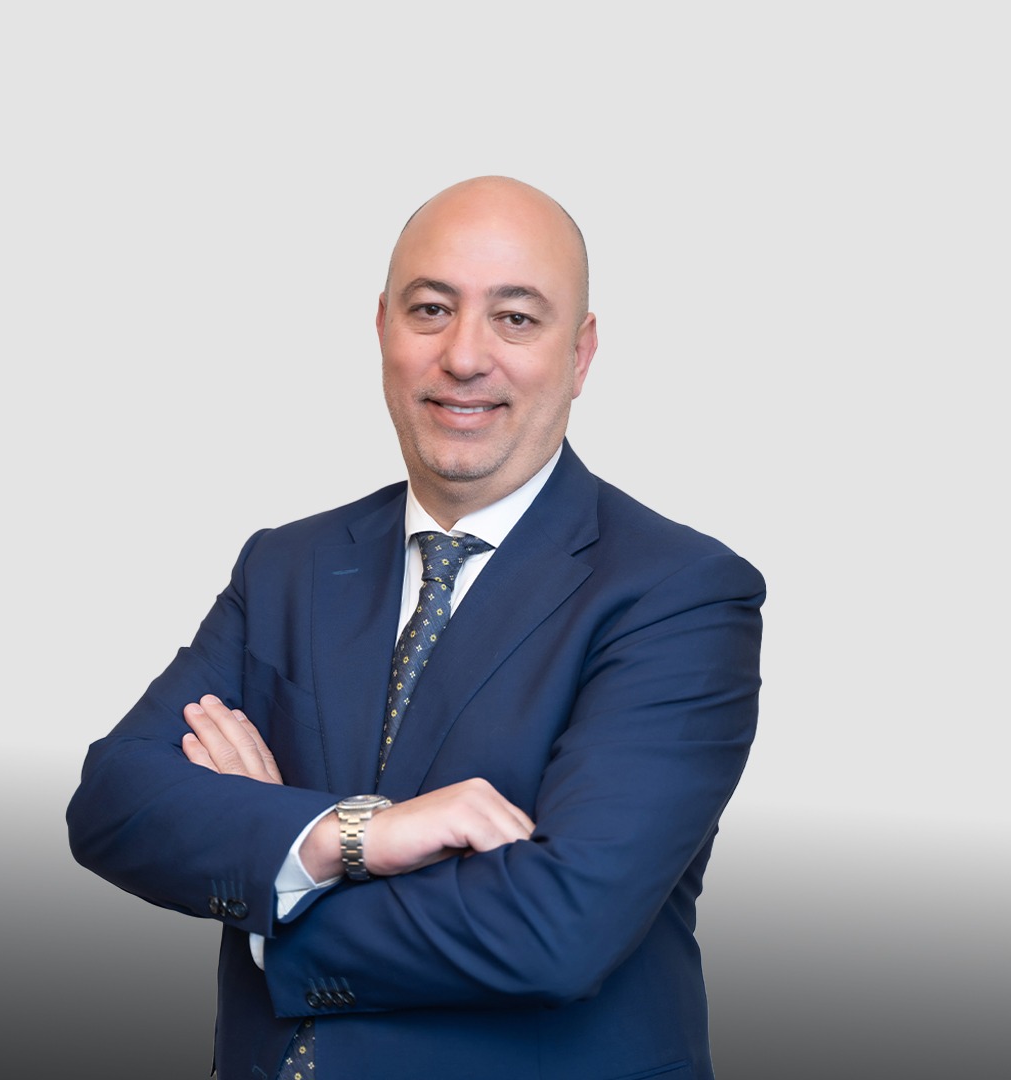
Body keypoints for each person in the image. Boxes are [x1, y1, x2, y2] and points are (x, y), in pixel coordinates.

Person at [67, 176, 765, 1080]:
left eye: (516, 318)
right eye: (431, 309)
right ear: (383, 328)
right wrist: (345, 835)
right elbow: (115, 804)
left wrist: (276, 888)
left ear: (580, 354)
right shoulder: (287, 565)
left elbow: (555, 932)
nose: (464, 356)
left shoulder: (680, 593)